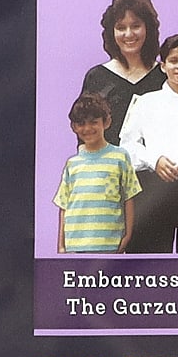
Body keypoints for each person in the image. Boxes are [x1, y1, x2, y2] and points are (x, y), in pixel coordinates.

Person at [118, 32, 178, 253]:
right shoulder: (145, 102)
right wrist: (155, 160)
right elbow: (126, 147)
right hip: (154, 189)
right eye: (173, 60)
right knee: (149, 261)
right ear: (163, 66)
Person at [54, 93, 140, 253]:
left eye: (94, 122)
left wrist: (127, 236)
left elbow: (129, 197)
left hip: (110, 244)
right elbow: (64, 205)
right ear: (73, 127)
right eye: (81, 123)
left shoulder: (120, 157)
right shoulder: (72, 164)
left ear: (106, 122)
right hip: (75, 246)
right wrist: (61, 246)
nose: (87, 128)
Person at [80, 0, 164, 134]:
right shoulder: (97, 77)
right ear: (111, 32)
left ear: (148, 29)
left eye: (135, 26)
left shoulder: (164, 75)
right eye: (121, 28)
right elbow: (84, 129)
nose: (129, 34)